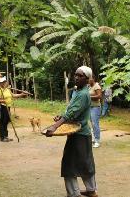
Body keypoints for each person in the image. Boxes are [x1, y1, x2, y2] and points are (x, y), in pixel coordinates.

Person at [46, 66, 98, 197]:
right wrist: (61, 116)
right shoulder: (78, 91)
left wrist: (55, 126)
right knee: (86, 163)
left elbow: (72, 113)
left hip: (79, 134)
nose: (76, 77)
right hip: (81, 133)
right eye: (76, 75)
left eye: (80, 76)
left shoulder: (83, 94)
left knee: (69, 165)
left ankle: (74, 194)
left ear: (87, 79)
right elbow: (70, 111)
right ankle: (91, 190)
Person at [0, 76, 27, 142]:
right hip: (2, 107)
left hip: (8, 107)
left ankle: (6, 136)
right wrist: (2, 101)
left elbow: (13, 95)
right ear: (0, 83)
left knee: (6, 121)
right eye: (2, 82)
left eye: (5, 82)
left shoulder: (7, 89)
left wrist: (21, 94)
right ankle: (2, 137)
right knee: (2, 122)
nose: (4, 83)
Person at [89, 77, 102, 148]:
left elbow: (99, 96)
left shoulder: (96, 86)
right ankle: (94, 138)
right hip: (90, 107)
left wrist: (89, 96)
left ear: (93, 79)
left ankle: (97, 140)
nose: (89, 80)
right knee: (92, 124)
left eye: (90, 79)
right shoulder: (89, 87)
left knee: (95, 124)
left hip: (95, 108)